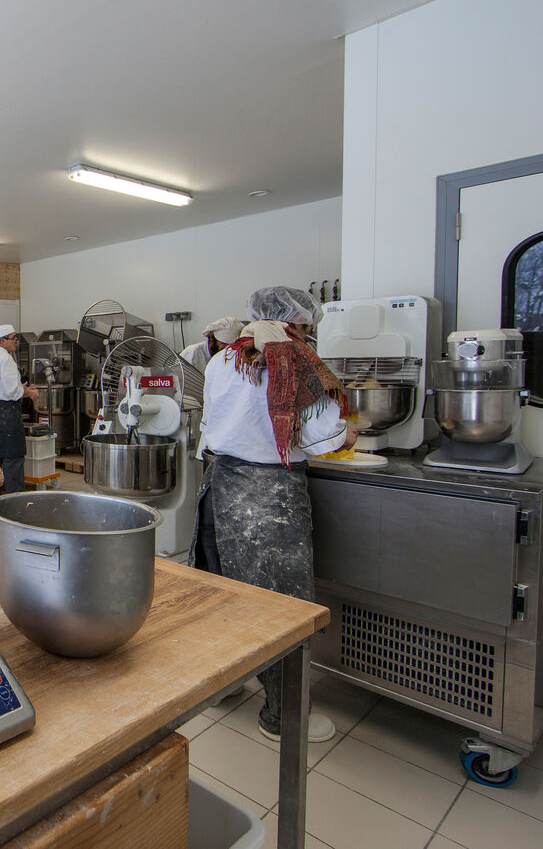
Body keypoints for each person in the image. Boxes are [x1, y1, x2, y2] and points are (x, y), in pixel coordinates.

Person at [193, 286, 357, 744]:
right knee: (282, 610)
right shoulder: (295, 360)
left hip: (220, 487)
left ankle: (225, 685)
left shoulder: (223, 359)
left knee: (225, 597)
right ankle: (283, 717)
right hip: (268, 499)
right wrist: (348, 435)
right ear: (298, 324)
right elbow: (325, 437)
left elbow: (216, 422)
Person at [0, 324, 38, 494]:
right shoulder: (5, 359)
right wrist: (29, 393)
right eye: (13, 339)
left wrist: (19, 388)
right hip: (7, 413)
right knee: (14, 457)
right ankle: (14, 500)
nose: (16, 342)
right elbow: (12, 392)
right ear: (2, 340)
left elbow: (2, 387)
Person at [179, 317, 244, 374]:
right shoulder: (193, 353)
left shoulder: (232, 357)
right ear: (211, 337)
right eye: (224, 344)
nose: (228, 349)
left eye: (232, 345)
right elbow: (177, 379)